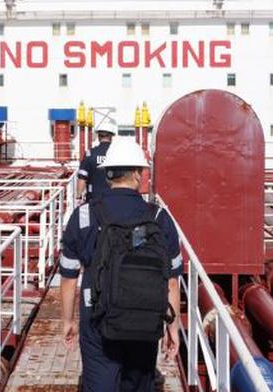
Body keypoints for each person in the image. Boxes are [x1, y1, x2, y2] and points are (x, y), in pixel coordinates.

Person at [60, 139, 183, 391]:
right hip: (145, 316)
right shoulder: (158, 217)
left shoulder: (83, 216)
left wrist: (68, 320)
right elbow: (171, 279)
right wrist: (173, 326)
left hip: (96, 316)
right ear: (138, 174)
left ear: (107, 174)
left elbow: (69, 276)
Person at [76, 119, 117, 203]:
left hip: (93, 199)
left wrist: (78, 197)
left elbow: (82, 178)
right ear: (111, 136)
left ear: (99, 136)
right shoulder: (117, 154)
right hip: (114, 199)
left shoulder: (90, 154)